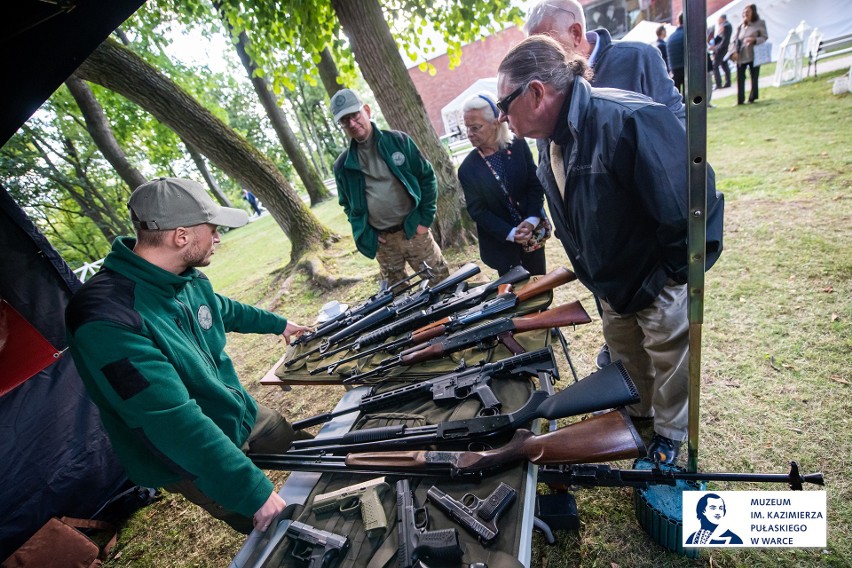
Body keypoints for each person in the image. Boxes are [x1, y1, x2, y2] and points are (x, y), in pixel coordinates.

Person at [496, 35, 721, 464]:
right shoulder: (551, 140)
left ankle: (670, 435)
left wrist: (670, 277)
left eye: (505, 104)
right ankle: (637, 413)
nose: (503, 116)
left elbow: (686, 205)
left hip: (654, 278)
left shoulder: (626, 118)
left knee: (671, 360)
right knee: (626, 357)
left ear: (537, 92)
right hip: (611, 283)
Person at [65, 177, 313, 534]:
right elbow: (170, 421)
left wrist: (279, 324)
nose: (218, 238)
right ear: (181, 236)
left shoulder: (185, 276)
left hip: (234, 411)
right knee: (284, 530)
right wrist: (253, 491)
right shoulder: (105, 319)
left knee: (300, 446)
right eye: (212, 229)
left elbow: (220, 309)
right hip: (185, 453)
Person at [526, 0, 687, 369]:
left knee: (665, 340)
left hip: (646, 228)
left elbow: (675, 131)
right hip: (598, 238)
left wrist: (673, 264)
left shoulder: (637, 58)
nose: (539, 57)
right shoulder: (548, 90)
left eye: (547, 44)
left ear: (576, 34)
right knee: (620, 325)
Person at [330, 88, 450, 286]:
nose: (352, 123)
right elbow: (348, 205)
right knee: (398, 296)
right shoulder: (343, 165)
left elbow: (427, 177)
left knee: (442, 283)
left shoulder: (398, 141)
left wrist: (425, 220)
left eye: (354, 115)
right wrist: (368, 233)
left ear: (366, 111)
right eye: (345, 120)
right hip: (384, 242)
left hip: (414, 231)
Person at [457, 94, 548, 277]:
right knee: (515, 299)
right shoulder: (468, 169)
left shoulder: (518, 145)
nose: (469, 134)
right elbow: (478, 211)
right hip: (502, 246)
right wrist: (510, 232)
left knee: (542, 288)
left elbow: (535, 184)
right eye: (466, 128)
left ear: (496, 122)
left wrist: (531, 219)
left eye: (475, 128)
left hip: (533, 235)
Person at [729, 4, 769, 105]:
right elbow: (734, 40)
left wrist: (754, 40)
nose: (745, 14)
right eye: (744, 13)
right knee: (740, 77)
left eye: (748, 12)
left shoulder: (760, 23)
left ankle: (752, 97)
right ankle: (740, 100)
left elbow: (764, 37)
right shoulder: (740, 26)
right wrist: (734, 52)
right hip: (741, 56)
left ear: (753, 13)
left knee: (754, 76)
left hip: (753, 54)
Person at [667, 13, 686, 100]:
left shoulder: (671, 36)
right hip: (685, 67)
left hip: (674, 68)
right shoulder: (687, 34)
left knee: (677, 97)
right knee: (688, 95)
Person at [712, 14, 733, 89]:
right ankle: (728, 82)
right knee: (724, 64)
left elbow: (725, 40)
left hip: (722, 49)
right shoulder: (725, 26)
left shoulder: (726, 26)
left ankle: (718, 83)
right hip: (722, 48)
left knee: (715, 65)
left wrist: (716, 48)